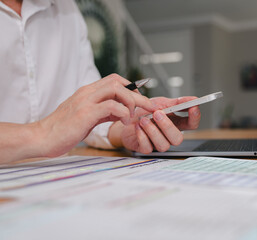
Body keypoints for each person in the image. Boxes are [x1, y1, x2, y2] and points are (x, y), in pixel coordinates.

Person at [0, 0, 201, 164]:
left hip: (54, 178)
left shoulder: (67, 10)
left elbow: (89, 115)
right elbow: (59, 128)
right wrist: (42, 134)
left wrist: (126, 127)